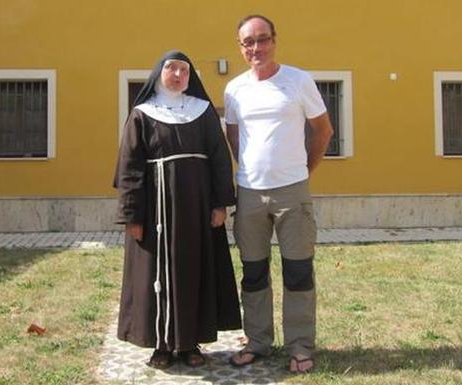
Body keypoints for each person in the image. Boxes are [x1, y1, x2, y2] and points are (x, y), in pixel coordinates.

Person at [113, 50, 242, 369]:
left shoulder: (203, 111)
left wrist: (219, 203)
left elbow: (220, 159)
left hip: (197, 209)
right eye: (171, 68)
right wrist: (132, 215)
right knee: (154, 275)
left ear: (190, 77)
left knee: (194, 270)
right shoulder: (142, 113)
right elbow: (129, 166)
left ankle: (189, 344)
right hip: (154, 210)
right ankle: (159, 344)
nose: (177, 74)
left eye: (184, 70)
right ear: (159, 73)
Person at [224, 15, 334, 374]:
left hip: (292, 193)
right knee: (254, 272)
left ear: (274, 40)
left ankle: (300, 346)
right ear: (240, 47)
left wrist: (302, 171)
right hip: (250, 194)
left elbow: (323, 131)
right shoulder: (235, 89)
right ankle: (257, 342)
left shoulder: (298, 81)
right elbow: (234, 138)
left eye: (262, 39)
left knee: (298, 271)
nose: (256, 48)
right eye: (248, 42)